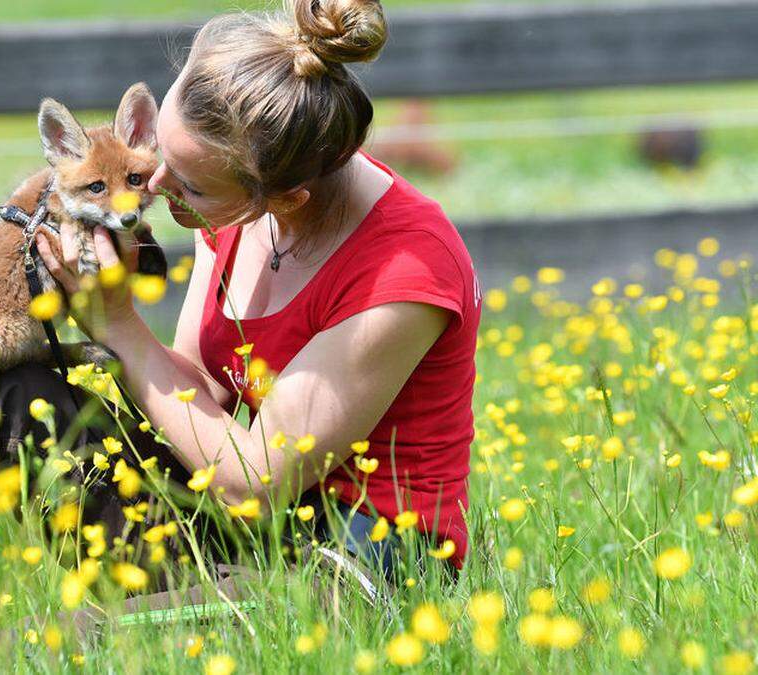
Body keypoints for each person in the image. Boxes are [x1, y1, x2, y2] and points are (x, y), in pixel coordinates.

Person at [34, 0, 480, 578]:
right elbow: (202, 396)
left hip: (359, 553)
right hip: (251, 522)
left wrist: (118, 325)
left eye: (190, 185)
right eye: (159, 157)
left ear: (283, 200)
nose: (153, 187)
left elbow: (258, 481)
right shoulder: (236, 209)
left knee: (71, 646)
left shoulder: (405, 269)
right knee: (19, 397)